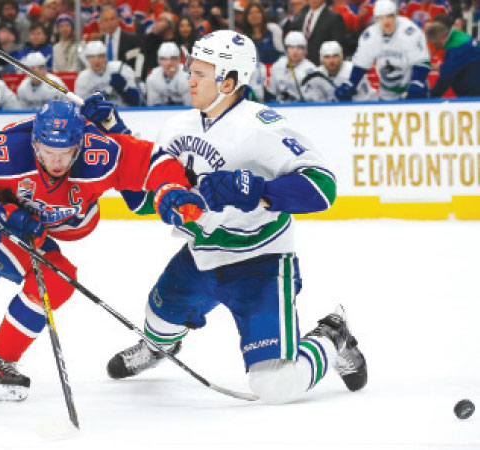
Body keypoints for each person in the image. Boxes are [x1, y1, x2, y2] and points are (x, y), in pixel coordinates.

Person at [93, 30, 367, 405]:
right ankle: (158, 347)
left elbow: (322, 188)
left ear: (230, 80)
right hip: (200, 255)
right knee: (155, 323)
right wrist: (114, 137)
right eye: (192, 69)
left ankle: (332, 337)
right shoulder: (177, 128)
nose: (190, 79)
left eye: (201, 73)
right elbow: (143, 198)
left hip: (260, 263)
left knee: (275, 386)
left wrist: (255, 190)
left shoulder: (263, 127)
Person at [0, 99, 204, 400]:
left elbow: (152, 161)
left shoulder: (100, 152)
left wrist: (172, 188)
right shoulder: (4, 152)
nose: (56, 162)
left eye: (65, 153)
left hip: (31, 232)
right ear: (34, 142)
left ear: (79, 146)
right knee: (56, 279)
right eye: (47, 152)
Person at [335, 0, 430, 101]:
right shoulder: (371, 35)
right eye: (381, 18)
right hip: (387, 91)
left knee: (417, 93)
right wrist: (351, 83)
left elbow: (421, 60)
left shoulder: (409, 31)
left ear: (395, 16)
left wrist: (417, 81)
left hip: (410, 87)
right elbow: (361, 63)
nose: (386, 21)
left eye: (389, 16)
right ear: (376, 19)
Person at [302, 40, 377, 101]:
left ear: (342, 57)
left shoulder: (354, 72)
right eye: (327, 57)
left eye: (335, 56)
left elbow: (368, 99)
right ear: (321, 59)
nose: (331, 61)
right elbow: (313, 104)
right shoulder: (315, 76)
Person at [75, 40, 141, 106]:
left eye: (100, 56)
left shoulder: (120, 69)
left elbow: (137, 101)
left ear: (105, 57)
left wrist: (123, 89)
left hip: (124, 112)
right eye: (92, 57)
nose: (96, 61)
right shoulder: (82, 78)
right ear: (87, 59)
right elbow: (81, 106)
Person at [425, 20, 480, 97]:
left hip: (473, 95)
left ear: (441, 39)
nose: (436, 48)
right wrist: (441, 67)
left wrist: (430, 96)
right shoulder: (462, 36)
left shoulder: (456, 47)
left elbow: (446, 78)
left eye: (435, 44)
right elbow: (463, 64)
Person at [283, 0, 347, 65]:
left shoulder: (334, 18)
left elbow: (338, 46)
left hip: (322, 66)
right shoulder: (302, 14)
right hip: (300, 64)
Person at [266, 31, 316, 102]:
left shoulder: (311, 70)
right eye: (291, 47)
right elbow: (271, 93)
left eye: (299, 48)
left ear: (305, 50)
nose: (295, 51)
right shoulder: (277, 66)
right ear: (286, 49)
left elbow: (313, 99)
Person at [146, 42, 191, 106]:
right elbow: (153, 107)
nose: (168, 63)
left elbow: (191, 107)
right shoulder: (153, 77)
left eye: (173, 59)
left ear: (179, 60)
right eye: (164, 59)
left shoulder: (188, 77)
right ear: (159, 61)